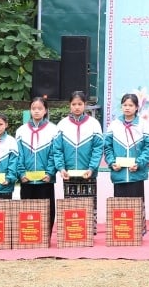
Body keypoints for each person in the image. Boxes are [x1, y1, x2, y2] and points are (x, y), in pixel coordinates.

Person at [104, 93, 149, 236]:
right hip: (119, 173)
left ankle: (137, 233)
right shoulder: (114, 124)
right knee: (120, 205)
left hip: (136, 173)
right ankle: (122, 233)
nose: (127, 108)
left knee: (137, 203)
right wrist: (112, 162)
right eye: (125, 105)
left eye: (130, 105)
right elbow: (107, 147)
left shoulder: (143, 124)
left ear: (137, 107)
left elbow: (148, 147)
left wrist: (139, 163)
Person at [54, 91, 104, 232]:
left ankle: (88, 231)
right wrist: (61, 168)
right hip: (68, 174)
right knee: (71, 204)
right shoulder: (62, 125)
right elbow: (57, 150)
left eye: (80, 104)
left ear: (85, 105)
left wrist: (92, 168)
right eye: (74, 104)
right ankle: (73, 231)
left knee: (89, 202)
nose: (77, 107)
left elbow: (98, 149)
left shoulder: (94, 124)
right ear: (69, 105)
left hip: (88, 173)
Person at [16, 96, 59, 230]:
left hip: (45, 179)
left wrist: (50, 173)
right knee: (28, 210)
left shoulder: (54, 130)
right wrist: (21, 173)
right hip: (27, 179)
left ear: (45, 110)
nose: (36, 111)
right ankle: (29, 236)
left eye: (40, 108)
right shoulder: (21, 131)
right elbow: (18, 155)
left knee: (47, 209)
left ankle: (46, 235)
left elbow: (55, 153)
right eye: (33, 108)